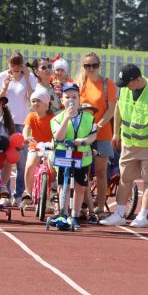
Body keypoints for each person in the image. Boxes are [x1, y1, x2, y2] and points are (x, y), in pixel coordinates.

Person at [100, 63, 148, 228]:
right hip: (129, 143)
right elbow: (118, 109)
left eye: (127, 84)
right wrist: (116, 133)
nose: (124, 87)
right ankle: (120, 213)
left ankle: (143, 215)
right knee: (125, 178)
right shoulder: (125, 88)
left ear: (137, 80)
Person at [50, 83, 98, 230]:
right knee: (62, 184)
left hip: (81, 157)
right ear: (62, 100)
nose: (71, 100)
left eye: (74, 97)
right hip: (64, 155)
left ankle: (75, 215)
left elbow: (93, 134)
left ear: (79, 99)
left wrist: (84, 141)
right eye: (67, 97)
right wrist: (67, 118)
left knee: (79, 186)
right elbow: (59, 136)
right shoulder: (56, 119)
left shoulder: (88, 118)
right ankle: (63, 214)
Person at [77, 52, 117, 217]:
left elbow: (112, 108)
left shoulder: (108, 84)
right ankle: (83, 205)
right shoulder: (79, 83)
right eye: (87, 66)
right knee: (82, 170)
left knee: (101, 172)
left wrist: (99, 125)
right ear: (83, 67)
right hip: (82, 133)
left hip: (102, 132)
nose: (91, 68)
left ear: (99, 65)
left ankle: (100, 207)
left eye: (94, 65)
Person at [0, 52, 37, 206]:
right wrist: (5, 87)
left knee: (22, 160)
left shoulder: (30, 77)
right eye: (13, 65)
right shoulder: (2, 76)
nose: (16, 68)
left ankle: (19, 194)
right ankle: (3, 193)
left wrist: (26, 78)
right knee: (4, 158)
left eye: (19, 65)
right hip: (5, 122)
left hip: (23, 123)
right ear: (9, 65)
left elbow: (33, 99)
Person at [22, 89, 55, 207]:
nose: (35, 103)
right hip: (35, 146)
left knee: (53, 168)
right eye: (33, 101)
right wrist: (26, 137)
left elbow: (57, 131)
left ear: (46, 104)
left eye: (38, 101)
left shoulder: (53, 117)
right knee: (29, 166)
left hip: (50, 147)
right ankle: (28, 193)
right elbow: (26, 128)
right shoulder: (31, 116)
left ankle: (52, 190)